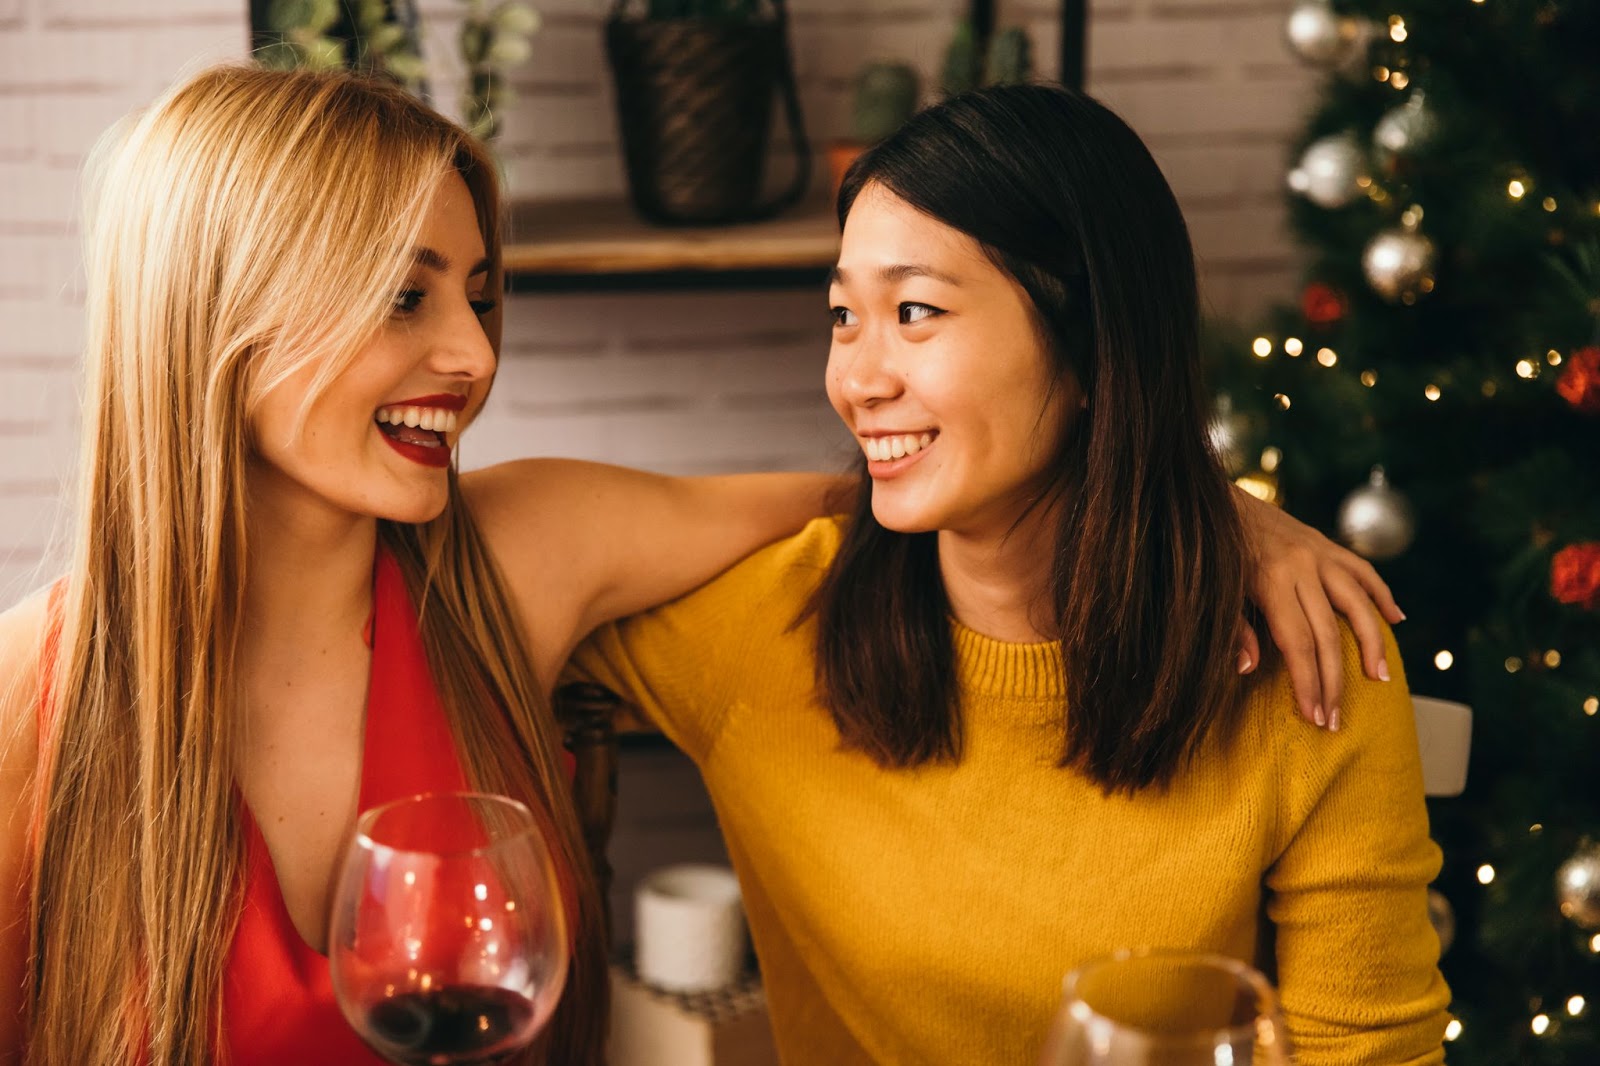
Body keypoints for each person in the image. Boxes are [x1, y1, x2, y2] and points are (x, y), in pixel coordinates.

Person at [0, 66, 1399, 1064]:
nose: (478, 358)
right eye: (405, 294)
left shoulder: (511, 556)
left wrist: (1210, 506)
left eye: (481, 298)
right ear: (220, 315)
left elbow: (882, 490)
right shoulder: (35, 700)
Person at [567, 83, 1451, 1064]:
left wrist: (1203, 508)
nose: (857, 379)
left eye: (913, 311)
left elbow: (1371, 1052)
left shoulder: (1306, 651)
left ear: (1089, 349)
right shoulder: (766, 622)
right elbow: (469, 541)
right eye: (842, 315)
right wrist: (1226, 507)